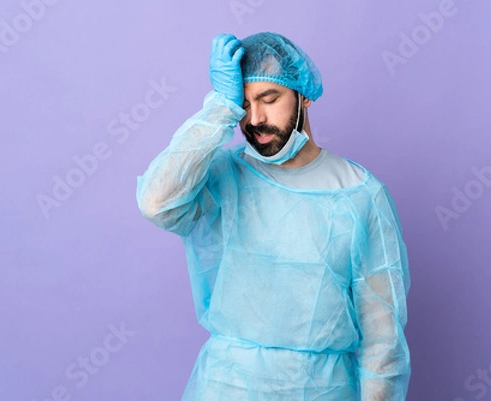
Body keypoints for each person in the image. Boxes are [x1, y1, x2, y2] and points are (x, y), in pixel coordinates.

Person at [136, 32, 411, 401]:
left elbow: (383, 341)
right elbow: (157, 203)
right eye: (244, 104)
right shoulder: (224, 176)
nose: (255, 118)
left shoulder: (361, 194)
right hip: (225, 387)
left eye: (269, 99)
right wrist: (220, 107)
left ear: (305, 95)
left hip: (321, 390)